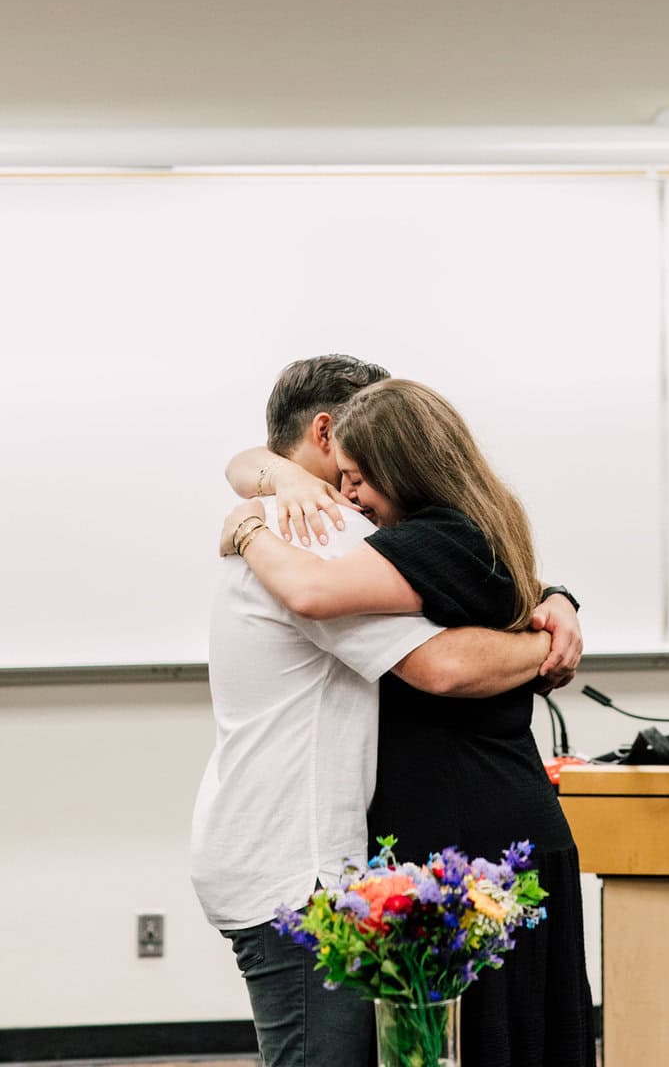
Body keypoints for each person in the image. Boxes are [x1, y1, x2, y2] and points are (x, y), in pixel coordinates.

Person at [193, 354, 581, 1067]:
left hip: (294, 851)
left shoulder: (307, 527)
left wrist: (549, 613)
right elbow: (440, 660)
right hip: (297, 865)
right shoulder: (313, 526)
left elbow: (444, 643)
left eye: (360, 477)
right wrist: (547, 637)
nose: (352, 492)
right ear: (327, 431)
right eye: (345, 472)